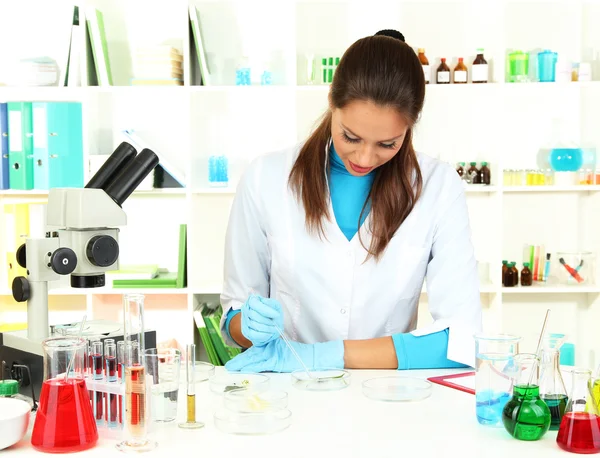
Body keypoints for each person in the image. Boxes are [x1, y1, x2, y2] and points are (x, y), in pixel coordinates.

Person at [219, 32, 482, 373]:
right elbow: (234, 321)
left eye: (387, 144)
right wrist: (247, 323)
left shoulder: (438, 186)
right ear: (332, 100)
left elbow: (461, 341)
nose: (365, 157)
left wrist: (320, 357)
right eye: (351, 136)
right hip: (289, 396)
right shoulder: (265, 177)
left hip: (387, 398)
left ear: (410, 126)